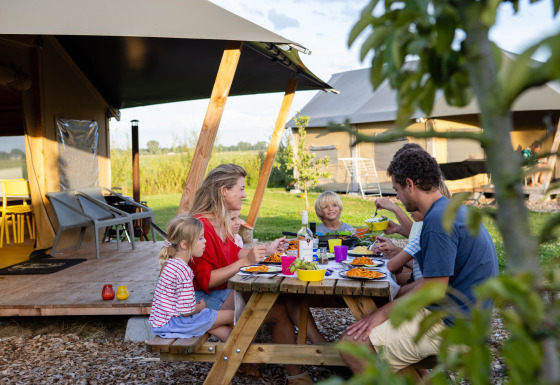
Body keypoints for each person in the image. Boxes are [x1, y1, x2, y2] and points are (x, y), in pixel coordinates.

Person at [340, 147, 498, 380]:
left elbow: (434, 289)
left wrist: (379, 315)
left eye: (397, 190)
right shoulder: (451, 210)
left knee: (352, 346)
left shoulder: (436, 221)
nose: (398, 198)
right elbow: (432, 281)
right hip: (468, 317)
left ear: (410, 184)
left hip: (454, 326)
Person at [189, 163, 317, 384]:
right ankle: (309, 362)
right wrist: (245, 263)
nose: (244, 194)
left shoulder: (219, 222)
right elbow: (207, 280)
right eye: (240, 189)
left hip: (223, 293)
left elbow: (234, 253)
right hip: (206, 300)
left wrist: (266, 250)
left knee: (282, 298)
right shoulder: (200, 227)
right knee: (277, 308)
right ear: (223, 191)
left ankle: (310, 358)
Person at [149, 215, 234, 342]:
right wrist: (201, 307)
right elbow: (186, 310)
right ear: (184, 244)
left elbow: (180, 305)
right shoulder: (183, 270)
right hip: (175, 323)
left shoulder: (171, 264)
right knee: (233, 315)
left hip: (163, 323)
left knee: (221, 329)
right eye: (200, 238)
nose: (205, 241)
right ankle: (241, 356)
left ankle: (236, 356)